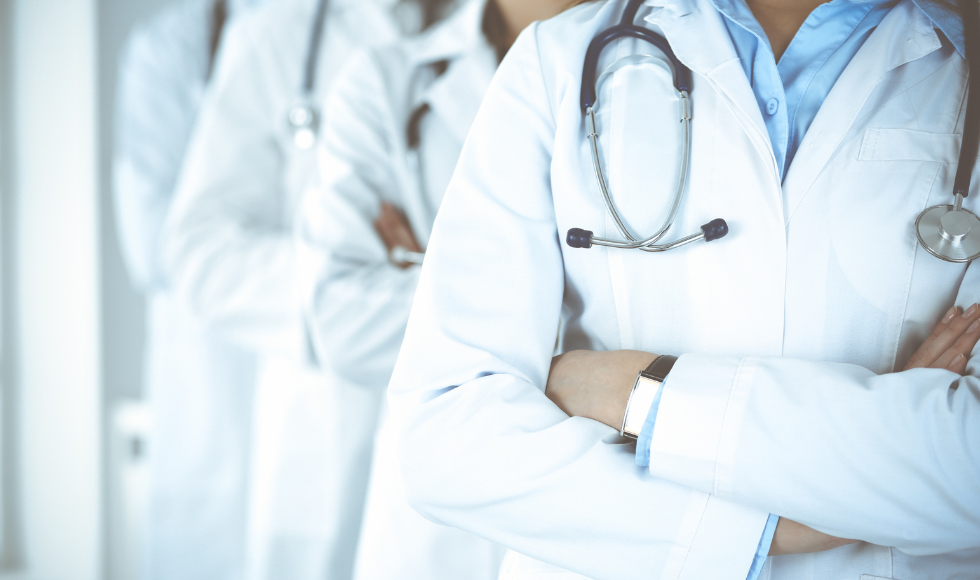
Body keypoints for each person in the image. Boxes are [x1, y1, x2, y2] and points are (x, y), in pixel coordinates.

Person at [386, 0, 980, 577]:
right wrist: (786, 524)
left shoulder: (961, 72)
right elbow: (447, 437)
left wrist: (634, 392)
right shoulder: (556, 62)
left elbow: (968, 466)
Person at [298, 0, 575, 577]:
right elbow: (343, 323)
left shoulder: (677, 70)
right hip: (431, 534)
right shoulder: (386, 81)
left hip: (596, 506)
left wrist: (447, 280)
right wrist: (585, 354)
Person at [161, 0, 411, 577]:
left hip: (481, 419)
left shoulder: (518, 27)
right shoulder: (277, 36)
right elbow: (200, 253)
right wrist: (351, 281)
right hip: (326, 418)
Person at [112, 2, 269, 578]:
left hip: (310, 364)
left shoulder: (343, 29)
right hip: (203, 360)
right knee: (208, 541)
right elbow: (152, 243)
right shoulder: (164, 48)